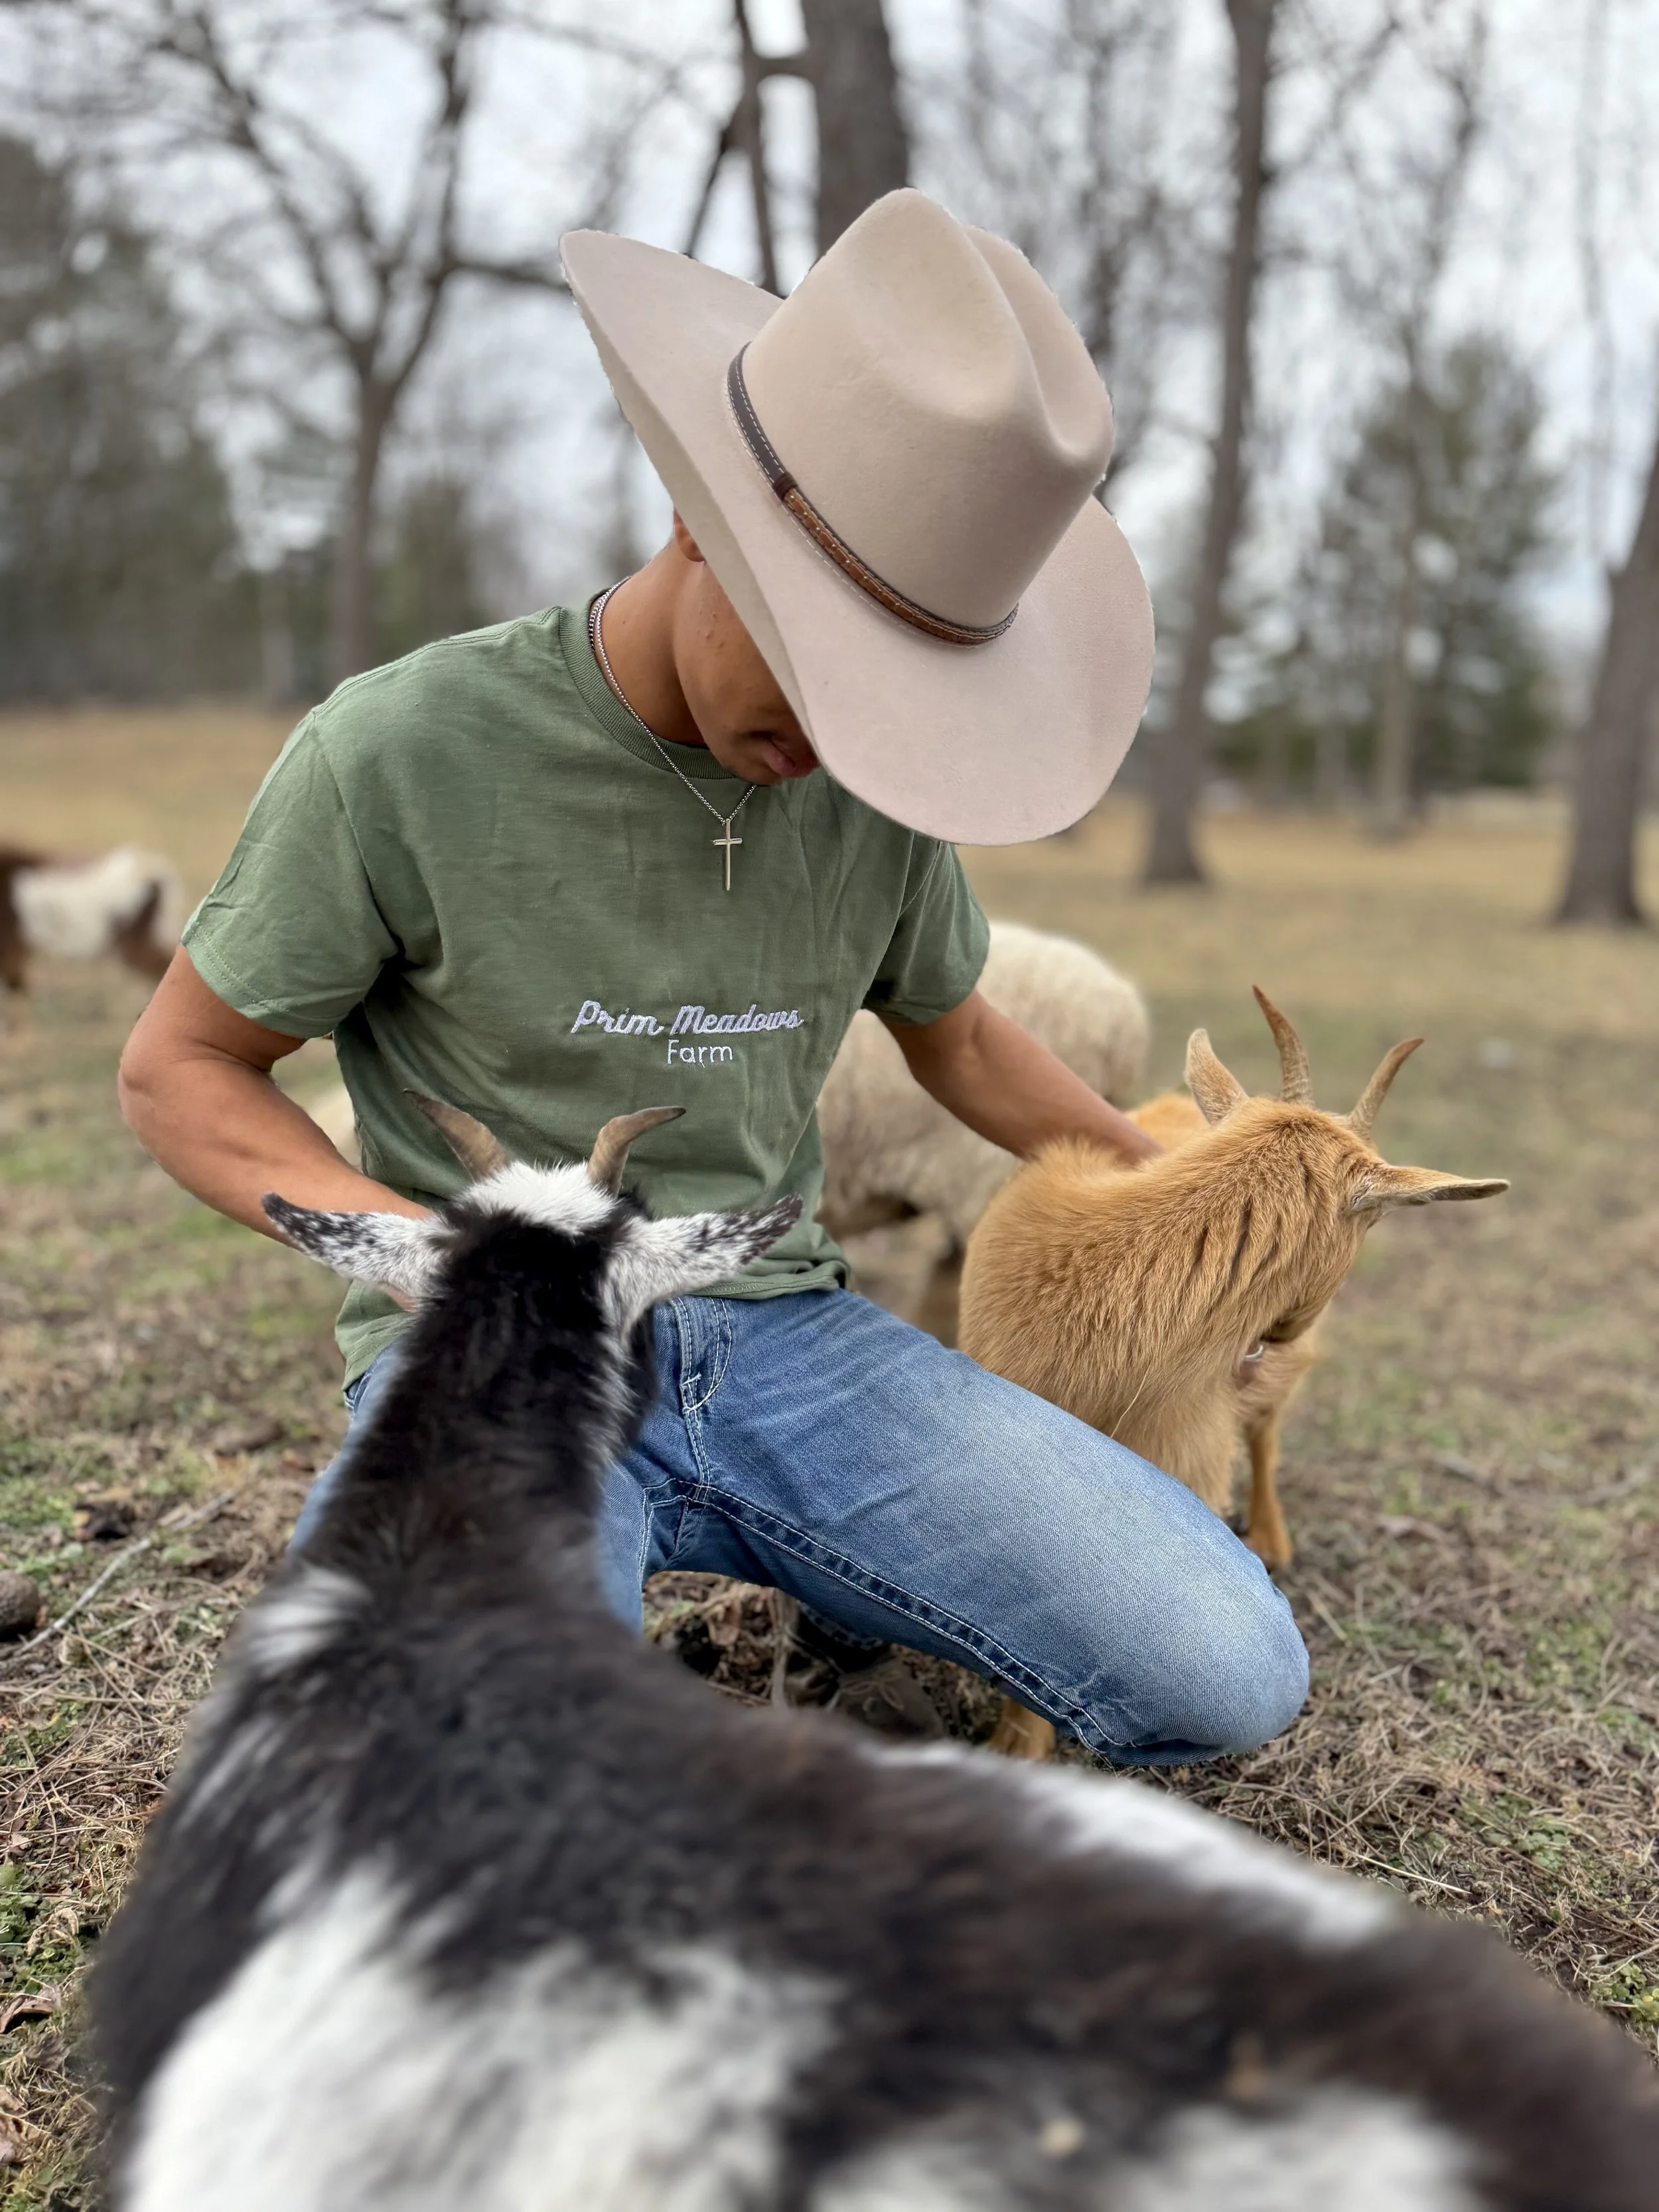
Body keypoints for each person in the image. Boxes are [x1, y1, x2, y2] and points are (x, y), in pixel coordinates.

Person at [119, 190, 1307, 1761]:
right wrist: (448, 1267)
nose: (841, 739)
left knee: (1224, 1669)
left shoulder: (868, 790)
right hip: (499, 1350)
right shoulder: (403, 749)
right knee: (456, 1744)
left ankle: (805, 1560)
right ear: (701, 523)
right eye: (823, 668)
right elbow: (180, 1069)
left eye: (899, 694)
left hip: (788, 1344)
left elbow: (951, 1036)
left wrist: (1184, 1194)